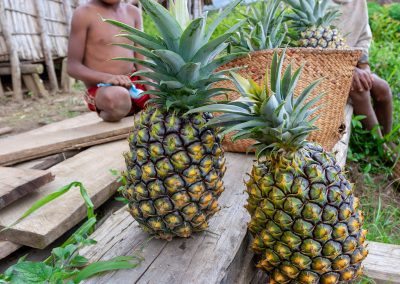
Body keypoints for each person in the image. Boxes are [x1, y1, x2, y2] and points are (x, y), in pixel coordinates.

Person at [333, 0, 399, 177]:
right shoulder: (318, 4)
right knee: (360, 90)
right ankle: (381, 148)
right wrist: (349, 71)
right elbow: (314, 45)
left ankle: (385, 138)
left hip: (354, 65)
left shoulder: (357, 2)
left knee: (383, 88)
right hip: (327, 69)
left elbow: (363, 35)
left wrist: (364, 66)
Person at [67, 0, 149, 122]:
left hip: (133, 84)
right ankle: (115, 110)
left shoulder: (133, 12)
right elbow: (73, 67)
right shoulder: (84, 13)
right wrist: (108, 78)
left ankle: (134, 105)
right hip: (103, 88)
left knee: (167, 84)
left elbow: (141, 63)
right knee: (117, 97)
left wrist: (153, 91)